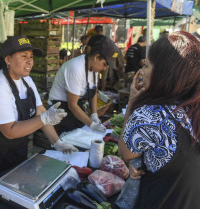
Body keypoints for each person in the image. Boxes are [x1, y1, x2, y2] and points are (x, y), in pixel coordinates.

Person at [0, 35, 78, 184]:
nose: (30, 61)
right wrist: (44, 119)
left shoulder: (27, 81)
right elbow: (10, 131)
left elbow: (41, 111)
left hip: (18, 148)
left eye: (31, 56)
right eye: (23, 56)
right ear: (8, 60)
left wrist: (57, 143)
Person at [118, 31, 200, 208]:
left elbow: (125, 152)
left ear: (163, 73)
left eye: (146, 66)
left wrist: (132, 101)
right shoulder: (194, 108)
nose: (142, 72)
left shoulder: (150, 116)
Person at [48, 36, 120, 135]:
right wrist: (91, 125)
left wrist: (94, 113)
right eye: (104, 64)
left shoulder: (94, 69)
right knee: (66, 141)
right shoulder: (76, 68)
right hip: (61, 111)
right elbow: (72, 105)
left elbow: (93, 91)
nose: (104, 68)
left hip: (76, 109)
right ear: (96, 57)